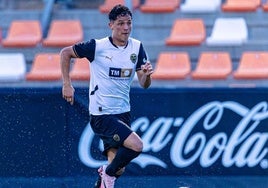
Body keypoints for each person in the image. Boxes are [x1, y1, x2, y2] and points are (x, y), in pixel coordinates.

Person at [60, 4, 153, 188]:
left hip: (123, 113)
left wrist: (147, 75)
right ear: (111, 25)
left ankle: (104, 179)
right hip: (102, 115)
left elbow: (144, 84)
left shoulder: (137, 47)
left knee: (118, 169)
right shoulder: (97, 47)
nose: (126, 28)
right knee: (137, 146)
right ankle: (106, 174)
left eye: (128, 23)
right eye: (120, 24)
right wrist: (67, 84)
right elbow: (65, 53)